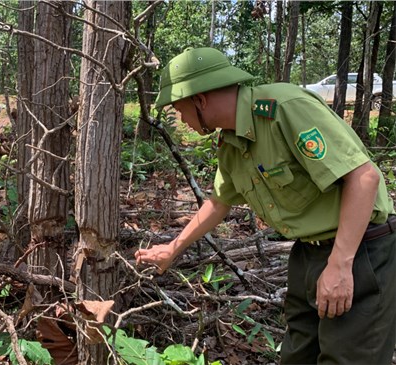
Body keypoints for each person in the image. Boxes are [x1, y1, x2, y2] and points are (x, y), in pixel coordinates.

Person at [134, 47, 396, 364]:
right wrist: (172, 249)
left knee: (349, 358)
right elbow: (219, 202)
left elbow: (363, 178)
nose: (182, 119)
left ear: (199, 99)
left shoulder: (285, 108)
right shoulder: (230, 141)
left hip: (361, 250)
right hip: (308, 254)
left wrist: (341, 263)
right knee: (296, 357)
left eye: (180, 109)